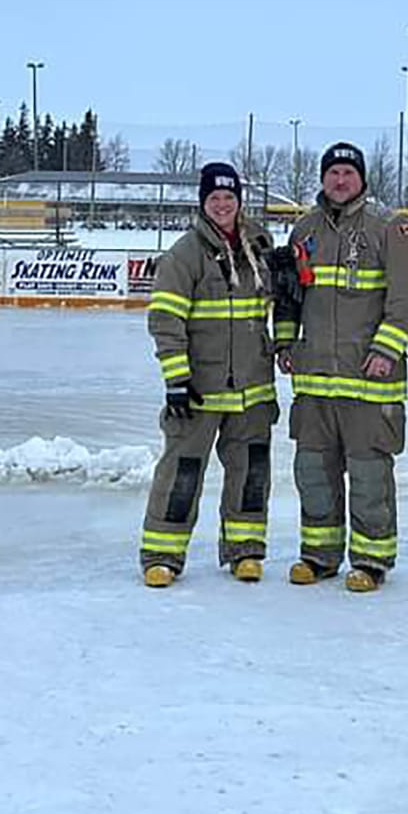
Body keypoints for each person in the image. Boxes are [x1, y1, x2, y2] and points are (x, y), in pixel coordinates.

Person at [276, 142, 408, 593]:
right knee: (313, 471)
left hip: (368, 382)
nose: (340, 181)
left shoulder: (389, 229)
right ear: (322, 179)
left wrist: (386, 350)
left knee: (368, 476)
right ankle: (319, 555)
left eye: (348, 173)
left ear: (361, 179)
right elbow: (288, 295)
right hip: (316, 380)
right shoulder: (304, 230)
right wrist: (286, 340)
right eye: (333, 173)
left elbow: (405, 301)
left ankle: (371, 559)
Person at [140, 162, 279, 587]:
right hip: (200, 389)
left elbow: (275, 305)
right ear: (203, 203)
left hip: (252, 387)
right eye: (215, 198)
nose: (223, 205)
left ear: (240, 201)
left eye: (230, 197)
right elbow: (166, 319)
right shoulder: (185, 253)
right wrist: (177, 380)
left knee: (252, 472)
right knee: (182, 473)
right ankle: (163, 554)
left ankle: (245, 551)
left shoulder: (259, 245)